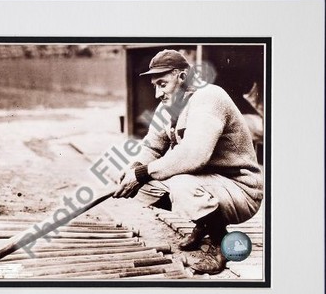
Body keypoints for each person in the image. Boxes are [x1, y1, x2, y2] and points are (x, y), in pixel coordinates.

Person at [113, 49, 263, 274]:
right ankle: (204, 223)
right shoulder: (169, 106)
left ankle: (220, 243)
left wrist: (143, 173)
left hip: (241, 188)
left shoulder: (208, 97)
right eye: (155, 85)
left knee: (181, 184)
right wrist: (133, 170)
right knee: (140, 187)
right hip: (209, 183)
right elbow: (152, 148)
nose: (156, 93)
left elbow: (194, 156)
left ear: (182, 76)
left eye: (162, 84)